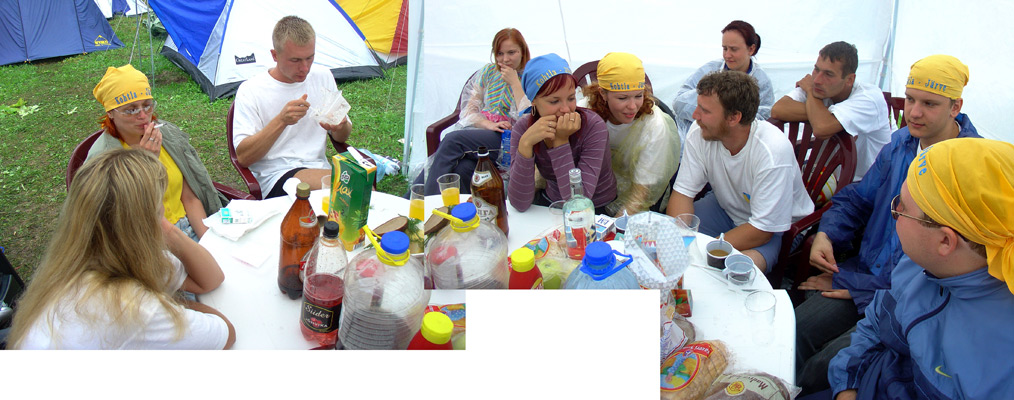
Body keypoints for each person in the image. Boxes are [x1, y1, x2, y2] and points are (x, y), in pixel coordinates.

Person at [794, 55, 979, 396]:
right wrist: (826, 234)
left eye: (929, 104)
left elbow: (947, 270)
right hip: (865, 275)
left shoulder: (970, 169)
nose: (914, 112)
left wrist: (860, 286)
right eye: (910, 99)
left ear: (956, 107)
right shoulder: (900, 144)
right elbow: (858, 198)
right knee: (797, 328)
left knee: (825, 364)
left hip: (908, 304)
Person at [823, 138, 1014, 400]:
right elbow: (876, 323)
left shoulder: (997, 365)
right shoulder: (917, 263)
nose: (894, 210)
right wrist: (847, 386)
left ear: (945, 241)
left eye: (902, 207)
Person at [7, 149, 235, 349]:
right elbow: (225, 333)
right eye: (160, 206)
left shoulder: (74, 263)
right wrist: (170, 306)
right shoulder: (136, 309)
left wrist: (166, 228)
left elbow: (211, 279)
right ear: (143, 222)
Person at [666, 70, 813, 274]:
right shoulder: (701, 131)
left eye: (705, 110)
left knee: (731, 272)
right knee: (668, 236)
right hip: (725, 207)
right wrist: (678, 240)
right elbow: (683, 192)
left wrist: (705, 250)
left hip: (777, 229)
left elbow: (762, 231)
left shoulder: (772, 151)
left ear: (734, 117)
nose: (695, 115)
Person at [85, 64, 224, 241]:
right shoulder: (103, 160)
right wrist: (146, 164)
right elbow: (123, 222)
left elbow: (190, 198)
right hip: (149, 242)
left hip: (190, 227)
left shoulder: (166, 136)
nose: (143, 115)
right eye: (131, 110)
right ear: (110, 113)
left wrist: (209, 243)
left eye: (147, 105)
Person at [232, 15, 353, 198]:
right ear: (275, 55)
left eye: (310, 58)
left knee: (360, 189)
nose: (305, 68)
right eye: (295, 60)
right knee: (352, 187)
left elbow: (342, 137)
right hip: (276, 176)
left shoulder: (323, 76)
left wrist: (340, 126)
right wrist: (281, 121)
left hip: (318, 168)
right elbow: (243, 157)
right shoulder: (251, 90)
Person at [421, 28, 531, 195]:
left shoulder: (529, 76)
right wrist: (487, 124)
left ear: (523, 51)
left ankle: (424, 200)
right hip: (484, 131)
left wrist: (514, 82)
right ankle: (453, 206)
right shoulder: (489, 72)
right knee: (463, 167)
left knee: (452, 140)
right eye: (500, 53)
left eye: (511, 52)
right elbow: (469, 109)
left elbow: (527, 116)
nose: (505, 59)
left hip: (509, 137)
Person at [507, 53, 617, 213]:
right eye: (554, 101)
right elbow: (519, 203)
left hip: (597, 206)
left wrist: (560, 142)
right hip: (553, 201)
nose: (566, 109)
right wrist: (525, 145)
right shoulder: (524, 130)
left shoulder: (593, 126)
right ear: (534, 101)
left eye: (571, 98)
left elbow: (578, 204)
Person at [770, 41, 891, 181]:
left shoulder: (869, 99)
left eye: (828, 74)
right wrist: (825, 114)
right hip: (826, 175)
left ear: (849, 79)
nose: (817, 80)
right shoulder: (820, 88)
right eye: (816, 69)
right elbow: (778, 109)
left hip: (865, 183)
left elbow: (821, 127)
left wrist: (811, 95)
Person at [580, 52, 680, 216]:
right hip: (596, 189)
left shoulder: (654, 126)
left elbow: (640, 194)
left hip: (636, 193)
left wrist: (614, 225)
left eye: (638, 96)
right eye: (623, 98)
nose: (633, 106)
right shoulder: (586, 112)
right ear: (603, 94)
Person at [671, 20, 774, 147]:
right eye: (725, 48)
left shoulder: (761, 81)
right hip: (691, 142)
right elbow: (678, 103)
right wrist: (712, 97)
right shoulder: (709, 69)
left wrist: (717, 115)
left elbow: (760, 121)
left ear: (751, 49)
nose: (727, 55)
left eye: (734, 49)